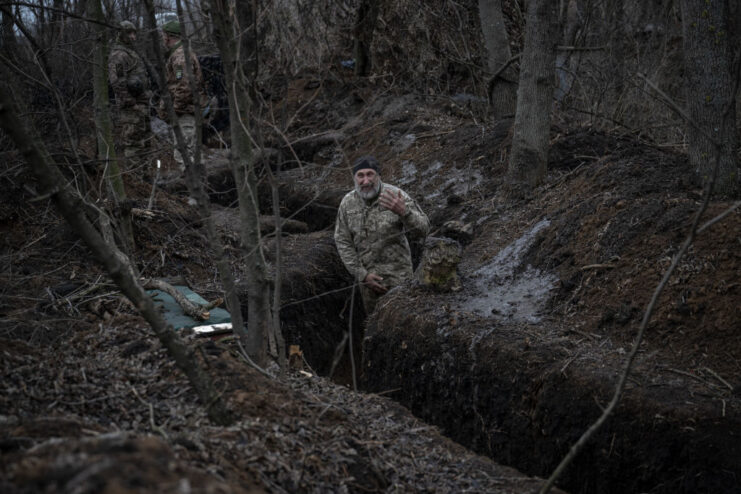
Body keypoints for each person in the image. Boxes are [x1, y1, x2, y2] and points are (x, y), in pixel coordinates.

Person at [334, 156, 430, 313]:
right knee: (375, 326)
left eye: (370, 174)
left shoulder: (396, 195)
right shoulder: (347, 203)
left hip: (400, 281)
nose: (366, 181)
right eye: (360, 175)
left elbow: (424, 230)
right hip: (369, 284)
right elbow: (342, 241)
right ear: (354, 178)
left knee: (401, 322)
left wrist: (404, 212)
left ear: (378, 176)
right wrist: (362, 275)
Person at [159, 20, 206, 169]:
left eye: (163, 35)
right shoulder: (179, 54)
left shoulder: (180, 57)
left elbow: (184, 87)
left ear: (168, 36)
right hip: (186, 111)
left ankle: (193, 188)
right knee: (191, 154)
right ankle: (199, 186)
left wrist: (174, 110)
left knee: (185, 155)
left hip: (185, 113)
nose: (162, 38)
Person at [108, 20, 151, 160]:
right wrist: (132, 103)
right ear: (121, 34)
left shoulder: (130, 52)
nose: (133, 36)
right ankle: (136, 178)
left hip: (141, 105)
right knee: (133, 144)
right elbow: (117, 82)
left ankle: (146, 178)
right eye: (129, 33)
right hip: (131, 109)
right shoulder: (119, 55)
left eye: (134, 33)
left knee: (145, 143)